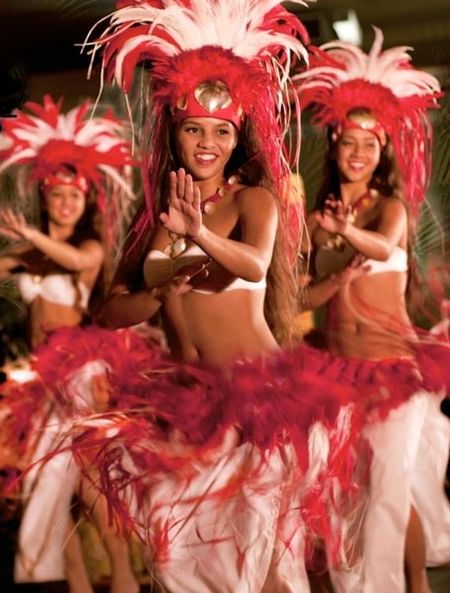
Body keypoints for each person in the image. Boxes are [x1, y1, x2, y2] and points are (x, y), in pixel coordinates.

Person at [47, 2, 368, 593]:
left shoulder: (252, 201)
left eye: (222, 131)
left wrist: (196, 234)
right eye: (194, 127)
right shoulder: (154, 218)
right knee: (176, 566)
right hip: (187, 409)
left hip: (261, 404)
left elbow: (253, 262)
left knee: (260, 567)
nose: (207, 142)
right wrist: (157, 286)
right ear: (173, 129)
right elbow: (112, 311)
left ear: (237, 135)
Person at [294, 28, 450, 593]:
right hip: (336, 371)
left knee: (387, 489)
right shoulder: (322, 216)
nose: (359, 153)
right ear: (334, 146)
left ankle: (396, 585)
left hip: (392, 373)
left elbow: (383, 248)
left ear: (383, 150)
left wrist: (343, 235)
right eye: (348, 143)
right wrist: (326, 259)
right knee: (342, 491)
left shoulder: (390, 210)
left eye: (371, 144)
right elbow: (305, 299)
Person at [0, 95, 141, 593]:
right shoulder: (30, 253)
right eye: (58, 194)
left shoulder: (86, 249)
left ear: (87, 201)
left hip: (81, 376)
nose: (67, 203)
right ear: (45, 197)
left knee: (90, 487)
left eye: (76, 196)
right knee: (53, 486)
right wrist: (22, 248)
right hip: (41, 379)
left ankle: (125, 576)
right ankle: (70, 582)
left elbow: (77, 264)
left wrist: (30, 241)